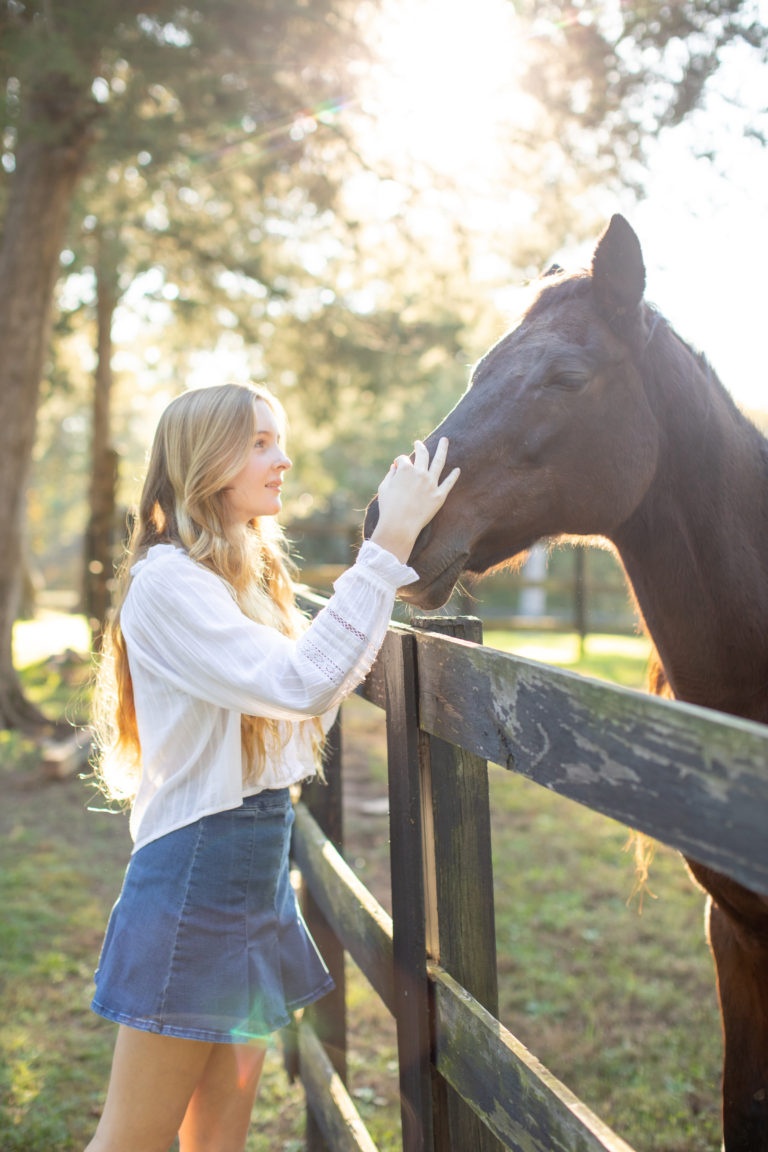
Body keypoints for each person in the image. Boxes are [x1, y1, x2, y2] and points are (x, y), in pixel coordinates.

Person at [85, 381, 459, 1152]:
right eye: (259, 442)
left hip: (252, 869)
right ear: (204, 459)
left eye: (277, 440)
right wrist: (385, 545)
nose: (282, 459)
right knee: (132, 1143)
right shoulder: (168, 584)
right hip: (196, 876)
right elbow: (303, 683)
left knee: (219, 1140)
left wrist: (394, 562)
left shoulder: (241, 582)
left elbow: (311, 696)